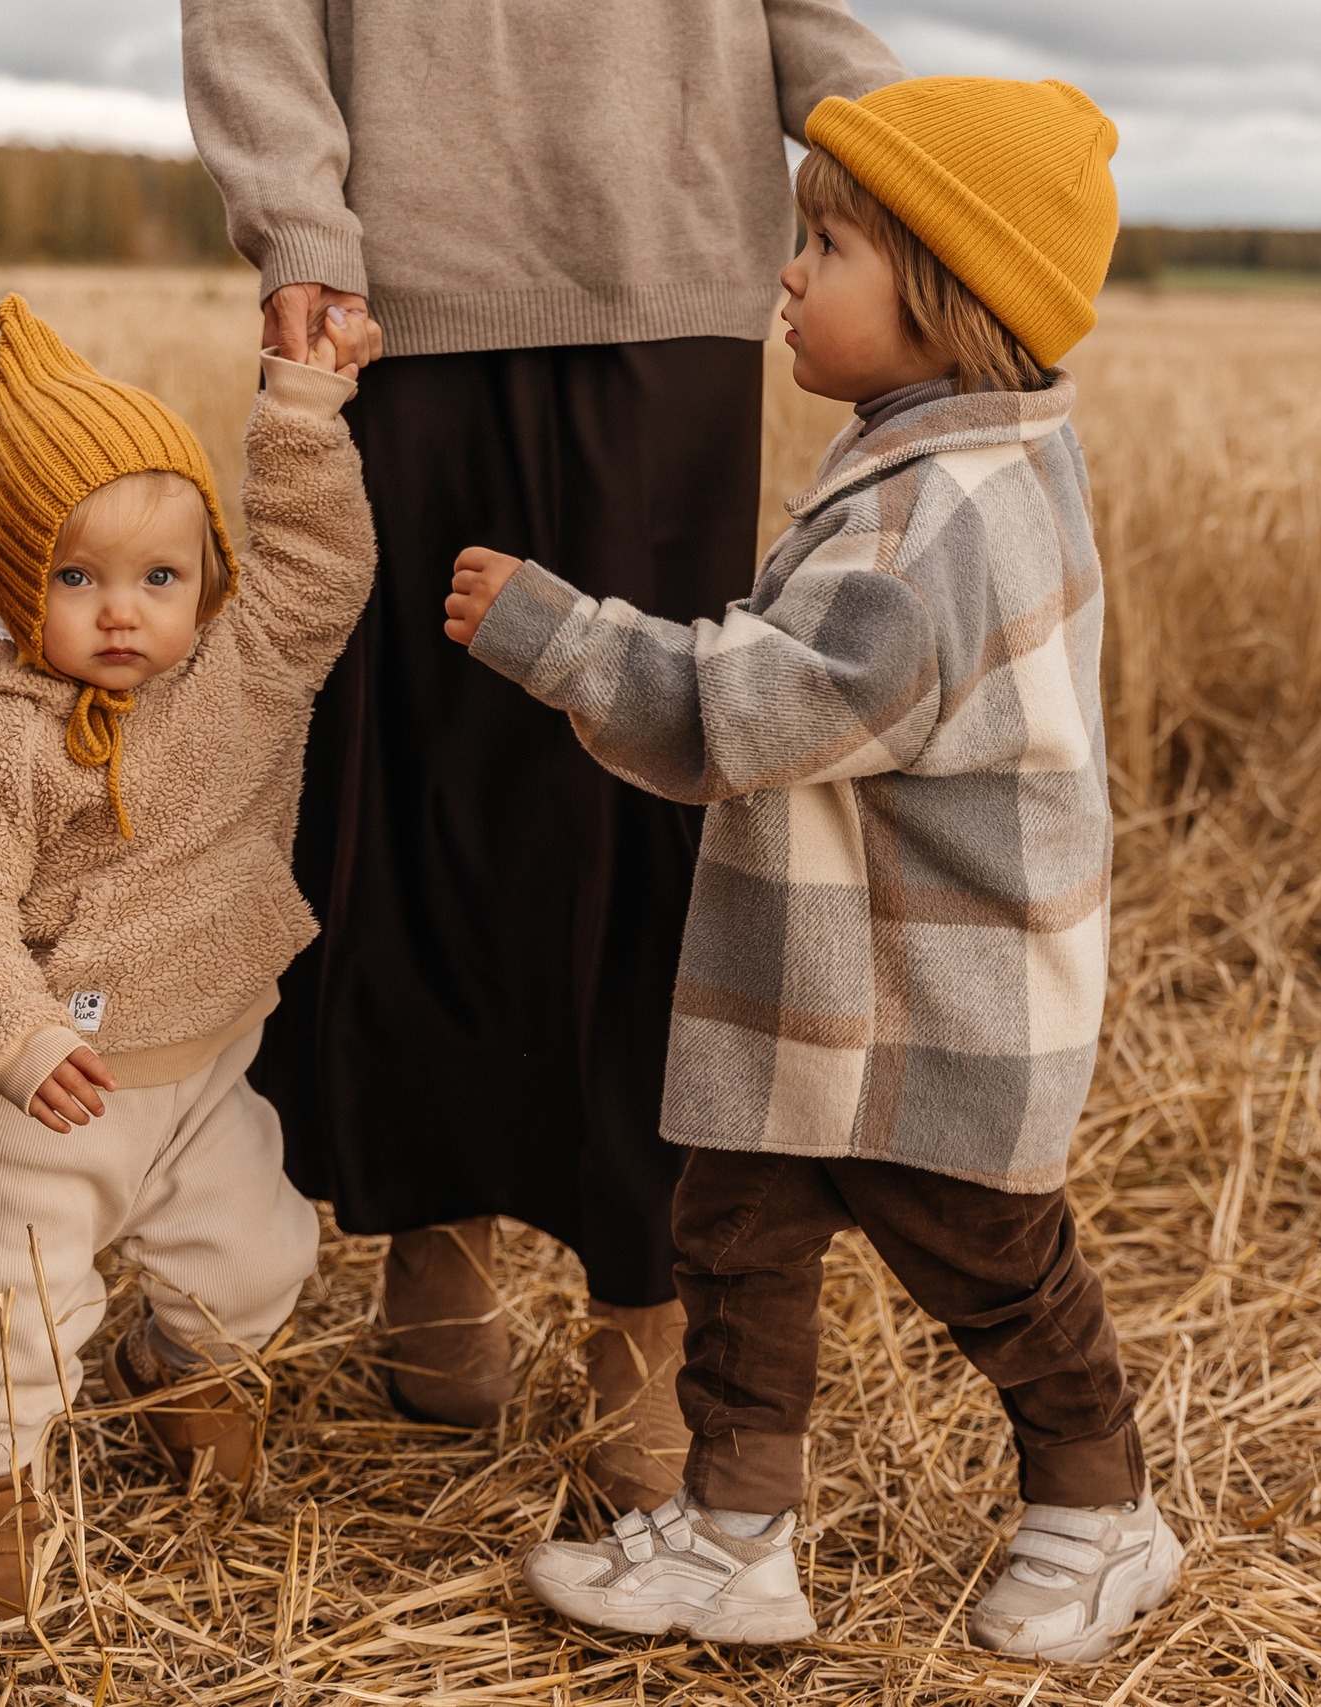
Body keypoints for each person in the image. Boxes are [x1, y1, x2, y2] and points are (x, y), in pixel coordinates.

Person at [441, 77, 1185, 1662]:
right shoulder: (936, 458)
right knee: (738, 1236)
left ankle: (1101, 1508)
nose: (789, 273)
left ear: (945, 296)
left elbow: (752, 711)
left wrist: (562, 640)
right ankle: (733, 1538)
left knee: (992, 1265)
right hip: (836, 989)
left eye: (827, 244)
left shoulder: (934, 530)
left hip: (936, 999)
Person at [179, 0, 908, 1508]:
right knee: (427, 790)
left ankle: (642, 1301)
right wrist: (298, 222)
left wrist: (928, 186)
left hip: (678, 272)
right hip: (409, 283)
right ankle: (437, 1220)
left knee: (651, 804)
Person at [0, 295, 382, 1618]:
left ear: (207, 576)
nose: (120, 613)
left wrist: (304, 411)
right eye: (74, 578)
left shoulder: (247, 667)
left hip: (206, 1060)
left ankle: (181, 1368)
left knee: (255, 1256)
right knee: (12, 1301)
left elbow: (317, 567)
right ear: (12, 586)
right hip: (47, 1086)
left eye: (158, 578)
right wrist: (15, 1034)